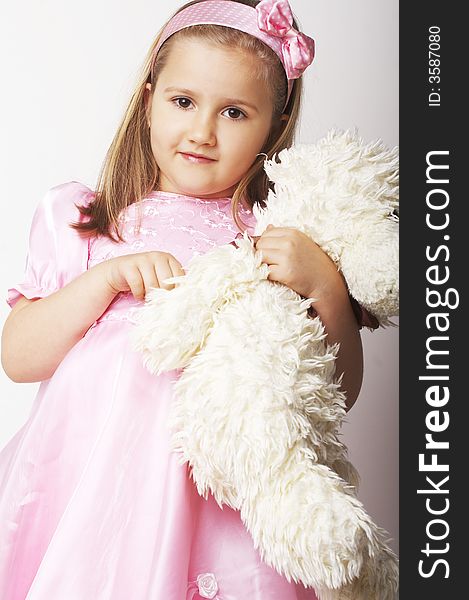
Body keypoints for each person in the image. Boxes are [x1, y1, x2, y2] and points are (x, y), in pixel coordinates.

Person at [0, 1, 365, 598]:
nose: (202, 131)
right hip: (97, 505)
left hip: (222, 521)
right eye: (183, 102)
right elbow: (19, 357)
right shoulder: (88, 223)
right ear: (148, 99)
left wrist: (324, 287)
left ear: (272, 126)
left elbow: (335, 396)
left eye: (235, 112)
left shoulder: (275, 239)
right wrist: (106, 281)